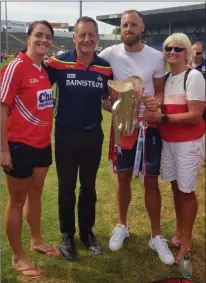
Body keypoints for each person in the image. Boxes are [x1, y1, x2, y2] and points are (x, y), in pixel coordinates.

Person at [99, 9, 174, 265]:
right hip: (123, 126)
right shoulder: (109, 54)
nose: (127, 28)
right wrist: (108, 104)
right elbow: (93, 73)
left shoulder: (155, 56)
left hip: (148, 127)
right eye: (123, 24)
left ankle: (156, 235)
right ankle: (122, 226)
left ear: (142, 28)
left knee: (151, 181)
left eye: (132, 24)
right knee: (122, 177)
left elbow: (161, 92)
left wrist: (156, 102)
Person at [46, 16, 112, 260]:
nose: (87, 39)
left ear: (97, 38)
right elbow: (40, 88)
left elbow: (106, 100)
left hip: (92, 135)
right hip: (65, 134)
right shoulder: (57, 62)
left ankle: (87, 232)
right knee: (66, 188)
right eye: (81, 35)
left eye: (91, 35)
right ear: (74, 37)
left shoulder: (104, 67)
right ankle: (67, 235)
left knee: (89, 187)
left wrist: (119, 106)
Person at [1, 20, 56, 278]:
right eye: (39, 35)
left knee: (36, 193)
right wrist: (3, 150)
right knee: (17, 200)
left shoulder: (44, 69)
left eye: (48, 36)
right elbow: (2, 109)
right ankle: (17, 256)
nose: (44, 40)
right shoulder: (16, 67)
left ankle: (36, 241)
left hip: (42, 145)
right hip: (19, 145)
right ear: (28, 38)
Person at [143, 33, 205, 263]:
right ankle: (180, 232)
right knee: (176, 189)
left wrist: (162, 118)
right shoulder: (167, 78)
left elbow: (195, 115)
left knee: (187, 192)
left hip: (188, 143)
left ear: (187, 53)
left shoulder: (194, 76)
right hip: (168, 142)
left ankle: (186, 242)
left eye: (178, 49)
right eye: (168, 48)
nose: (172, 52)